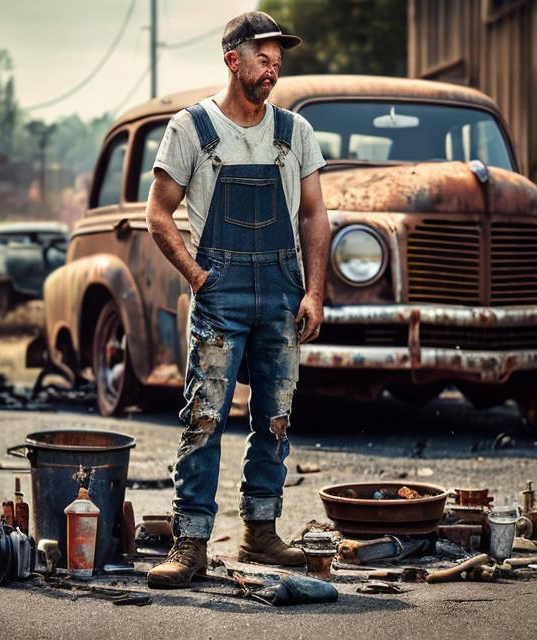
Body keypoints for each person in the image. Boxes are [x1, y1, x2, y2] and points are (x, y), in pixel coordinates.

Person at [144, 11, 330, 588]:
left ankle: (260, 533)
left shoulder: (294, 131)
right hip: (220, 292)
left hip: (280, 291)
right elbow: (157, 214)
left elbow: (315, 215)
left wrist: (315, 293)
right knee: (205, 418)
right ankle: (191, 542)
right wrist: (198, 277)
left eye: (279, 61)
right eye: (264, 59)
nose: (273, 70)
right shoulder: (192, 127)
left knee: (274, 417)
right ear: (234, 60)